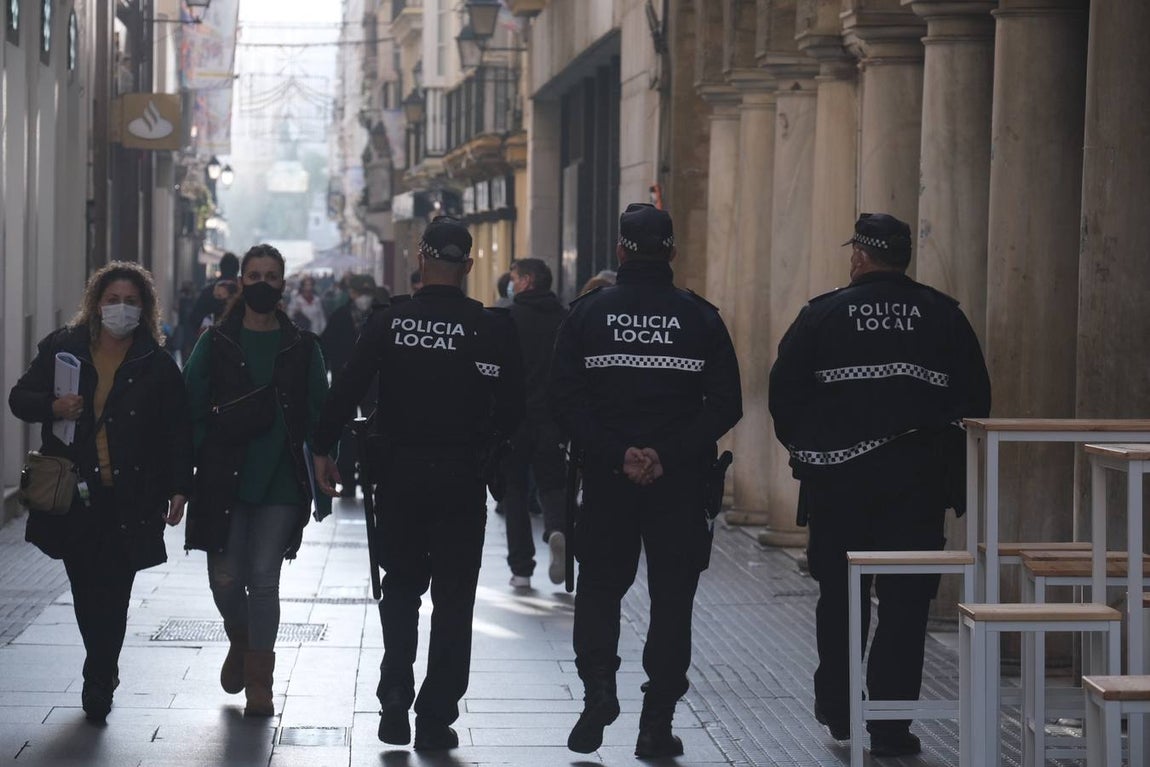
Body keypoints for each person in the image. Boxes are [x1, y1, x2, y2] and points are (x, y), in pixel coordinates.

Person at [768, 212, 991, 758]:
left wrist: (811, 454)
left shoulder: (822, 315)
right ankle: (891, 726)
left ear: (861, 257)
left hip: (837, 485)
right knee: (905, 602)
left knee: (841, 596)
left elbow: (784, 395)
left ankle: (842, 707)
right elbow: (977, 401)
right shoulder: (944, 316)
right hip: (916, 487)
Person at [312, 216, 524, 751]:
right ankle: (435, 715)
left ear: (421, 261)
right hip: (462, 478)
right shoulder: (494, 329)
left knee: (401, 589)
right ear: (469, 266)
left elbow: (347, 387)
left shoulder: (390, 322)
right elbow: (516, 409)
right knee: (454, 600)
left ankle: (392, 698)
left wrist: (323, 447)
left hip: (399, 477)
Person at [550, 203, 742, 758]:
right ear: (673, 253)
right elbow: (726, 403)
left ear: (620, 251)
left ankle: (598, 693)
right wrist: (666, 453)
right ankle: (656, 723)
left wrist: (617, 453)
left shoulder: (588, 314)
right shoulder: (701, 318)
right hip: (678, 484)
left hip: (609, 482)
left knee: (600, 591)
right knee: (672, 601)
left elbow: (562, 399)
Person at [8, 262, 193, 723]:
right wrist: (53, 406)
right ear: (96, 303)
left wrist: (179, 487)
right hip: (75, 493)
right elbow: (19, 398)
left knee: (116, 590)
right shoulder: (64, 347)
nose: (121, 309)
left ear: (145, 308)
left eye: (131, 301)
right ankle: (102, 663)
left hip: (130, 496)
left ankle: (99, 670)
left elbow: (177, 430)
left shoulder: (155, 362)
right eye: (113, 300)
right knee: (85, 587)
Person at [183, 244, 333, 718]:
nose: (263, 284)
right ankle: (242, 638)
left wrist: (328, 459)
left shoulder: (303, 347)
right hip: (222, 478)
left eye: (272, 276)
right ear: (241, 281)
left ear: (283, 283)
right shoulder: (217, 342)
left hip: (281, 480)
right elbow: (188, 406)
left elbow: (318, 414)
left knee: (264, 581)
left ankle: (260, 685)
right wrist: (192, 464)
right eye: (255, 275)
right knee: (225, 579)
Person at [502, 258, 569, 589]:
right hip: (553, 419)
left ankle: (521, 569)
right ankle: (557, 529)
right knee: (553, 485)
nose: (510, 283)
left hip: (515, 420)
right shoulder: (564, 319)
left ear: (526, 281)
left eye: (514, 277)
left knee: (514, 491)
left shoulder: (510, 319)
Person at [320, 273, 382, 497]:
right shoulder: (340, 316)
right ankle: (346, 477)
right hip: (345, 384)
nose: (364, 297)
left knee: (373, 431)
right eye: (360, 292)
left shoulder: (381, 316)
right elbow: (326, 346)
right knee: (345, 433)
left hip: (374, 385)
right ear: (352, 293)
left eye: (368, 293)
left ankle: (371, 476)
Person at [189, 251, 239, 338]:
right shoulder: (240, 294)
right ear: (237, 269)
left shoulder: (207, 292)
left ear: (221, 267)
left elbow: (195, 319)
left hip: (211, 342)